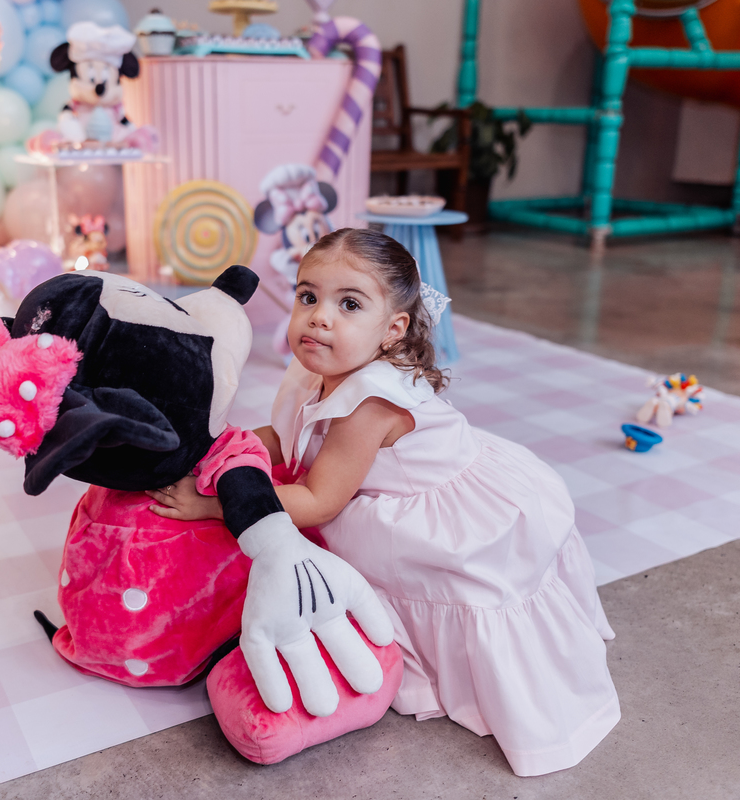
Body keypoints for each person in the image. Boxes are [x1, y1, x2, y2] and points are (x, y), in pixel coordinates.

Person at [149, 227, 620, 776]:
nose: (320, 317)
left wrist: (215, 503)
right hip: (364, 483)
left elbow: (319, 499)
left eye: (349, 304)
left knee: (420, 573)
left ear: (392, 331)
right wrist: (218, 452)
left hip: (439, 509)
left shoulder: (368, 403)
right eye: (308, 297)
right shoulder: (315, 366)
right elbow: (286, 434)